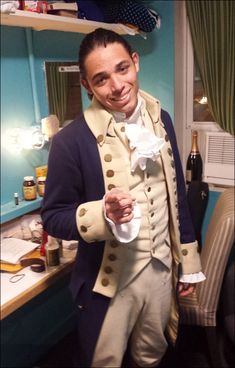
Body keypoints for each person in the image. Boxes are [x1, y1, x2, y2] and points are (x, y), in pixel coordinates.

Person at [41, 28, 205, 368]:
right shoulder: (69, 141)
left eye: (121, 69)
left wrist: (187, 264)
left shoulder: (163, 121)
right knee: (104, 361)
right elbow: (53, 215)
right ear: (86, 85)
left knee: (151, 355)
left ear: (135, 62)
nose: (117, 86)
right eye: (101, 79)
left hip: (161, 271)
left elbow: (176, 199)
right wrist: (103, 215)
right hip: (110, 281)